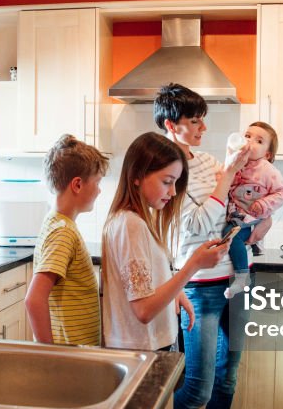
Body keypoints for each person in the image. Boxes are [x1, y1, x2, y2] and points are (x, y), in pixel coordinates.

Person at [154, 83, 250, 409]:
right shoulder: (166, 170)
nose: (203, 128)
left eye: (202, 119)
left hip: (234, 281)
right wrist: (226, 177)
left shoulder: (210, 161)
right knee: (198, 385)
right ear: (171, 125)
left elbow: (223, 210)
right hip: (199, 288)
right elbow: (192, 226)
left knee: (227, 380)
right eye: (194, 121)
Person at [101, 132, 225, 351]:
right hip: (142, 350)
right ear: (137, 175)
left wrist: (176, 291)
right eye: (167, 181)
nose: (173, 191)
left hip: (146, 346)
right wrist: (193, 265)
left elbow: (145, 286)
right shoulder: (131, 225)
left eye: (176, 183)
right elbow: (144, 310)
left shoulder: (136, 220)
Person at [25, 134, 109, 346]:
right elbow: (34, 299)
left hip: (75, 352)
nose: (99, 190)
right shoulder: (63, 231)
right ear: (77, 185)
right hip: (69, 355)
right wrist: (52, 355)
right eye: (97, 182)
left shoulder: (59, 224)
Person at [222, 122, 283, 298]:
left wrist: (263, 206)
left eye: (259, 141)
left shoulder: (268, 170)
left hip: (253, 217)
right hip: (237, 215)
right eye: (248, 136)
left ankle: (242, 277)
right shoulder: (237, 163)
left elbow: (282, 193)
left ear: (267, 154)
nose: (250, 142)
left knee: (231, 234)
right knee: (230, 233)